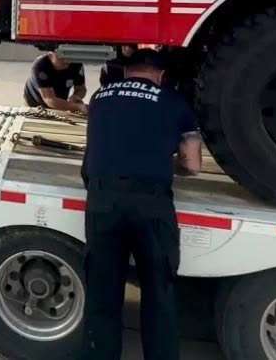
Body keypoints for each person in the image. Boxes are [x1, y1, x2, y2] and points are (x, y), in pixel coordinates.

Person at [81, 48, 203, 360]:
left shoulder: (99, 97)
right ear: (161, 76)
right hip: (150, 203)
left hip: (102, 199)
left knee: (102, 294)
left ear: (126, 71)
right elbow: (193, 164)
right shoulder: (174, 102)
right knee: (158, 294)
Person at [23, 51, 88, 114]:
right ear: (52, 53)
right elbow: (49, 99)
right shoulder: (40, 65)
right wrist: (76, 107)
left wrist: (76, 96)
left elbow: (81, 88)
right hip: (34, 104)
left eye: (68, 57)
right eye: (61, 57)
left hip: (60, 101)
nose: (66, 60)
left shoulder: (76, 64)